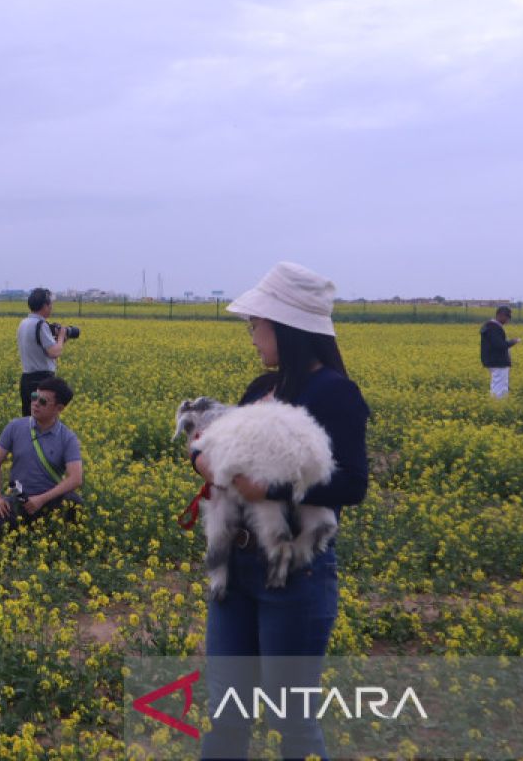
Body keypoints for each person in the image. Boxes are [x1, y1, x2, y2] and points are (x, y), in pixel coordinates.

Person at [191, 262, 369, 759]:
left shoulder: (334, 393)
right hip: (235, 565)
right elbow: (212, 447)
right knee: (226, 714)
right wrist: (202, 459)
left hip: (295, 573)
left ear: (285, 326)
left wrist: (269, 488)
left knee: (293, 722)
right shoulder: (258, 388)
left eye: (256, 325)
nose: (252, 336)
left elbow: (353, 483)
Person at [0, 376, 84, 540]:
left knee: (74, 502)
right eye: (34, 397)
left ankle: (63, 547)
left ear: (59, 408)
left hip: (49, 499)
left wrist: (40, 499)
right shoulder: (15, 427)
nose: (35, 403)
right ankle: (10, 557)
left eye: (43, 401)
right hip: (20, 497)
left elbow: (76, 478)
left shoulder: (67, 438)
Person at [17, 288, 68, 416]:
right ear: (45, 305)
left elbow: (39, 348)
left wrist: (57, 342)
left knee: (29, 420)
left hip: (26, 380)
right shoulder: (40, 325)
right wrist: (61, 337)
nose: (51, 307)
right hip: (42, 382)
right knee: (44, 420)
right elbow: (54, 353)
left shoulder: (24, 323)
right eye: (50, 304)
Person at [480, 305, 520, 399]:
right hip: (497, 361)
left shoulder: (491, 326)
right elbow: (499, 345)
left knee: (501, 386)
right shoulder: (493, 327)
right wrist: (512, 342)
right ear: (500, 315)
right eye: (507, 317)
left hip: (495, 361)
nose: (507, 320)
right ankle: (496, 404)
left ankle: (501, 405)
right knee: (498, 387)